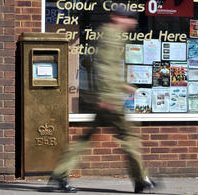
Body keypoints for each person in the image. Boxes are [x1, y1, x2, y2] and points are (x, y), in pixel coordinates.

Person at [47, 5, 159, 194]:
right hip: (110, 100)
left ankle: (60, 174)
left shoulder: (112, 34)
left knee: (87, 139)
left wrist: (125, 85)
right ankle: (141, 180)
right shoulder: (111, 35)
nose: (133, 22)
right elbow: (104, 67)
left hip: (107, 97)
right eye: (129, 18)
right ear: (117, 17)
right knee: (129, 138)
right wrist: (108, 97)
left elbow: (110, 67)